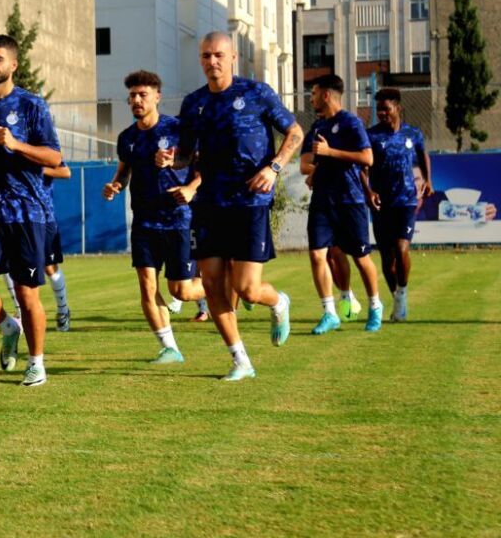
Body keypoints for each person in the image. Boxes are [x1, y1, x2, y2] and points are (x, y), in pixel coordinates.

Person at [161, 32, 303, 381]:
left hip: (250, 202)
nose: (213, 61)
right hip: (209, 203)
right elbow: (185, 154)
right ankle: (240, 360)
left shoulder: (255, 94)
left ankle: (278, 302)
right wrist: (170, 159)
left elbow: (295, 133)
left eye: (219, 55)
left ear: (233, 57)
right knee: (211, 284)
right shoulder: (194, 104)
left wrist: (274, 168)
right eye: (206, 56)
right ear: (200, 59)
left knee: (247, 289)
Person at [0, 35, 63, 387]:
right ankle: (8, 326)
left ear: (13, 65)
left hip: (26, 213)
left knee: (27, 293)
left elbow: (55, 158)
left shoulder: (32, 105)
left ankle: (37, 363)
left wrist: (16, 144)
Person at [103, 70, 208, 363]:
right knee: (148, 288)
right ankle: (169, 348)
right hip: (144, 222)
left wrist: (191, 187)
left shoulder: (178, 129)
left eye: (142, 95)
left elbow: (204, 166)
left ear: (157, 97)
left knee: (183, 291)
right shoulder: (127, 138)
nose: (136, 100)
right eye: (133, 96)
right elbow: (124, 172)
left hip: (179, 219)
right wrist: (115, 185)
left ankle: (224, 287)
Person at [299, 74, 383, 334]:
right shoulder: (315, 128)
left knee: (361, 257)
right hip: (323, 200)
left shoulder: (350, 122)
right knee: (317, 254)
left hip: (350, 199)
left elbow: (367, 158)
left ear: (326, 95)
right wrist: (315, 169)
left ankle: (375, 305)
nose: (310, 98)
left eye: (313, 93)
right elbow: (304, 164)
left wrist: (330, 153)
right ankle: (329, 312)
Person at [363, 87, 433, 322]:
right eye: (378, 109)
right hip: (381, 204)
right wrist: (369, 191)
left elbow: (423, 154)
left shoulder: (412, 134)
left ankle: (402, 294)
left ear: (398, 108)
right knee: (387, 258)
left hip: (406, 200)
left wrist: (428, 180)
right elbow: (362, 167)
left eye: (386, 108)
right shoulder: (371, 136)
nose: (381, 113)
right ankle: (396, 297)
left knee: (402, 248)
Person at [3, 162, 73, 331]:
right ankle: (19, 312)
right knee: (9, 265)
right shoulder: (4, 149)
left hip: (43, 215)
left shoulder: (39, 146)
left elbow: (65, 172)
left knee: (49, 267)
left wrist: (36, 168)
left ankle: (63, 310)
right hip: (11, 217)